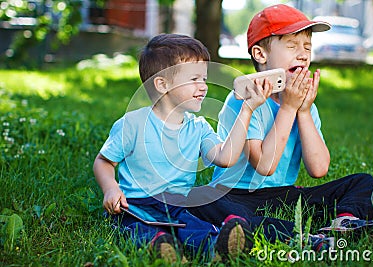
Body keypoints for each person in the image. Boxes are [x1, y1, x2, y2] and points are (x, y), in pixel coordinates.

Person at [188, 4, 373, 243]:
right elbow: (264, 165)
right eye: (292, 46)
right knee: (204, 201)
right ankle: (297, 235)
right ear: (261, 54)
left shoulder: (305, 106)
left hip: (282, 196)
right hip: (235, 194)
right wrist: (289, 108)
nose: (303, 54)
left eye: (307, 47)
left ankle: (344, 223)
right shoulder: (243, 99)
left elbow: (319, 169)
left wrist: (302, 111)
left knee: (363, 182)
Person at [93, 33, 271, 263]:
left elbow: (225, 157)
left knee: (195, 227)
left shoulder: (198, 127)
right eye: (194, 79)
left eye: (205, 79)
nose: (203, 87)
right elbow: (104, 161)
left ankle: (216, 248)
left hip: (178, 203)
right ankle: (160, 247)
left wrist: (247, 110)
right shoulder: (132, 124)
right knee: (138, 230)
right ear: (162, 84)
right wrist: (110, 188)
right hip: (135, 205)